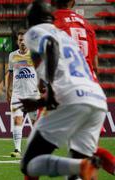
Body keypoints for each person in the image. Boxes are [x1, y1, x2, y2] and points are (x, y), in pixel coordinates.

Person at [18, 1, 108, 180]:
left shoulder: (35, 32)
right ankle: (83, 165)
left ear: (30, 21)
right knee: (76, 175)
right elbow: (76, 76)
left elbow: (50, 45)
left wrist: (49, 90)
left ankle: (83, 165)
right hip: (96, 98)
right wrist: (40, 102)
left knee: (29, 164)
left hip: (69, 97)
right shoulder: (66, 38)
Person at [54, 0, 115, 177]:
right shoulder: (86, 24)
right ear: (72, 2)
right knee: (84, 149)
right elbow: (95, 65)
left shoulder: (52, 25)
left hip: (70, 90)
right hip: (92, 90)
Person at [6, 29, 40, 158]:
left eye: (25, 40)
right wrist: (9, 90)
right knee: (17, 120)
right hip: (17, 94)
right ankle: (17, 150)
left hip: (33, 94)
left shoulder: (35, 55)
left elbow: (41, 72)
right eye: (20, 40)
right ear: (17, 41)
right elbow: (10, 73)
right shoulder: (12, 56)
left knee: (35, 123)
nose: (23, 42)